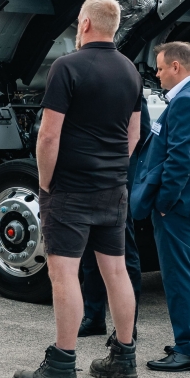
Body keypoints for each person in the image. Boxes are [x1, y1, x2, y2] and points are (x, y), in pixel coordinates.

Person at [13, 0, 142, 378]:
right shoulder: (130, 71)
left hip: (70, 189)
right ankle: (124, 358)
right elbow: (133, 134)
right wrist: (113, 169)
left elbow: (48, 135)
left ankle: (62, 365)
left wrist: (46, 184)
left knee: (63, 273)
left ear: (84, 24)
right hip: (112, 188)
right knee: (115, 270)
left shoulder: (66, 67)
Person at [131, 40, 190, 373]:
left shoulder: (187, 101)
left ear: (176, 67)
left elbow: (179, 161)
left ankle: (188, 350)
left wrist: (164, 203)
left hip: (179, 206)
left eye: (159, 68)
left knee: (178, 276)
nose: (156, 75)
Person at [78, 88, 149, 338]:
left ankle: (128, 325)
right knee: (90, 252)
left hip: (118, 178)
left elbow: (142, 133)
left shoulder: (128, 82)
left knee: (124, 251)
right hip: (90, 177)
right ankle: (93, 316)